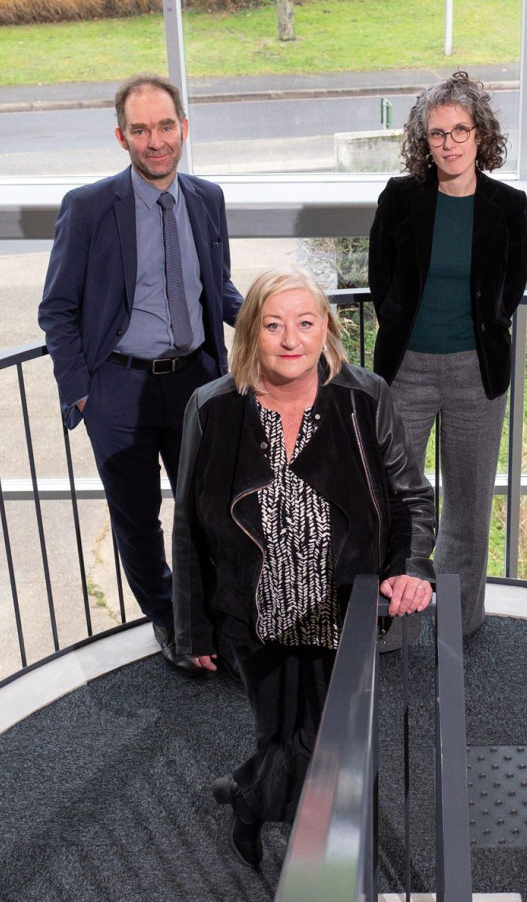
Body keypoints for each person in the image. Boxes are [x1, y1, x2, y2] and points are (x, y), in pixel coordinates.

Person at [170, 266, 436, 868]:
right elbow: (188, 522)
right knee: (280, 737)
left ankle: (282, 824)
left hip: (345, 606)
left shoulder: (364, 397)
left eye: (305, 323)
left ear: (326, 331)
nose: (290, 340)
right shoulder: (211, 409)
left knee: (330, 747)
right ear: (250, 335)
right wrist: (194, 628)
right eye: (273, 325)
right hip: (253, 613)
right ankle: (252, 797)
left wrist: (412, 566)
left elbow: (410, 496)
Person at [38, 74, 243, 677]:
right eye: (140, 129)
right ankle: (169, 620)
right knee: (135, 517)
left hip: (196, 383)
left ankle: (204, 613)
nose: (155, 141)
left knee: (206, 509)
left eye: (165, 126)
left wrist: (272, 320)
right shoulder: (90, 207)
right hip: (118, 390)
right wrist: (81, 393)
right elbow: (58, 308)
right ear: (121, 136)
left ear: (184, 127)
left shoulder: (206, 198)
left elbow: (219, 287)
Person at [368, 71, 527, 648]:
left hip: (475, 375)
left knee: (467, 507)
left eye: (461, 129)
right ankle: (394, 621)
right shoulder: (400, 197)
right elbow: (380, 279)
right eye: (438, 133)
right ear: (424, 141)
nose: (450, 142)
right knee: (395, 502)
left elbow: (510, 288)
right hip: (405, 372)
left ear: (480, 135)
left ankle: (460, 624)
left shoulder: (508, 206)